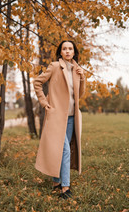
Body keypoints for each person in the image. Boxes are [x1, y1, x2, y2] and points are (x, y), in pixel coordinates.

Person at [33, 40, 86, 199]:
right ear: (60, 52)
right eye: (65, 49)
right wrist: (44, 102)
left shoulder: (77, 69)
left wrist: (82, 77)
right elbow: (37, 82)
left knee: (62, 150)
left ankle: (56, 181)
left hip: (72, 117)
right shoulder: (55, 66)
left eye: (70, 49)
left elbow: (80, 95)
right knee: (65, 150)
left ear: (74, 52)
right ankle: (65, 188)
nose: (68, 51)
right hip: (57, 116)